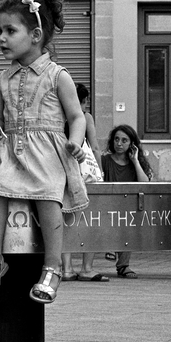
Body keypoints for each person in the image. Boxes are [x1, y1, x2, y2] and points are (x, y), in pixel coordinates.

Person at [0, 0, 88, 304]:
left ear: (35, 34)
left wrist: (75, 144)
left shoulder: (57, 76)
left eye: (10, 30)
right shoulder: (1, 79)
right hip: (12, 151)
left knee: (49, 196)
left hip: (48, 154)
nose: (1, 38)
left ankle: (52, 267)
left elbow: (76, 117)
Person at [61, 83, 108, 281]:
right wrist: (100, 172)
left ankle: (66, 269)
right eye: (85, 100)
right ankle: (87, 268)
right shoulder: (84, 117)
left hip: (61, 172)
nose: (87, 104)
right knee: (91, 219)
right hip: (83, 173)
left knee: (66, 220)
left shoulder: (56, 115)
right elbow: (95, 147)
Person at [101, 124, 152, 278]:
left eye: (124, 140)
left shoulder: (135, 164)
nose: (119, 144)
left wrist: (135, 161)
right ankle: (112, 247)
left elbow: (145, 184)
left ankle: (123, 265)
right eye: (116, 139)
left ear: (132, 144)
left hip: (127, 207)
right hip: (106, 204)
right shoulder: (104, 160)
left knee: (129, 217)